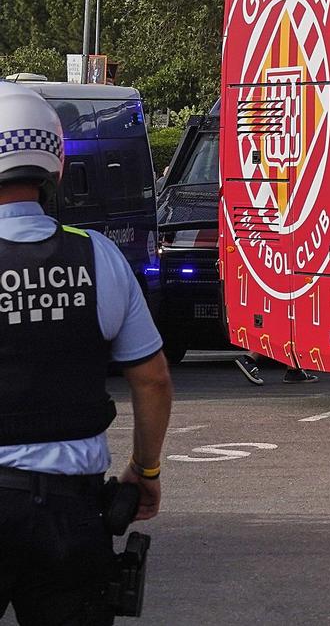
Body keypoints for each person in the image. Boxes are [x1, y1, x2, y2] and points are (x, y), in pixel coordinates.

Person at [0, 84, 173, 623]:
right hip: (70, 516)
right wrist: (144, 469)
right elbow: (153, 380)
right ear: (53, 167)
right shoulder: (97, 256)